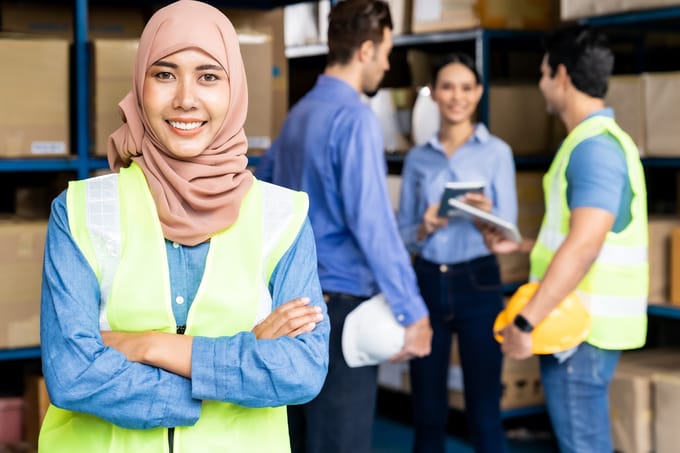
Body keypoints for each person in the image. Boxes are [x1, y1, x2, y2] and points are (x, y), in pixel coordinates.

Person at [38, 1, 329, 452]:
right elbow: (72, 375)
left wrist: (151, 346)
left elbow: (301, 370)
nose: (186, 98)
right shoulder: (80, 211)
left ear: (235, 88)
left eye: (209, 76)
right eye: (164, 74)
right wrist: (236, 364)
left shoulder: (282, 216)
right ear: (140, 85)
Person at [255, 0, 432, 451]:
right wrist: (413, 311)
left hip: (288, 307)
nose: (388, 64)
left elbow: (261, 201)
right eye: (388, 52)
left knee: (297, 438)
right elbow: (372, 225)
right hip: (339, 313)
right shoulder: (355, 118)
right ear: (367, 50)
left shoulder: (296, 118)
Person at [483, 25, 648, 453]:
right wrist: (521, 246)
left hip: (581, 332)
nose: (539, 84)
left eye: (541, 73)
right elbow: (585, 234)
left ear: (560, 75)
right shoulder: (597, 142)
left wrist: (525, 322)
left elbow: (586, 244)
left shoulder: (594, 148)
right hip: (581, 328)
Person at [397, 52, 516, 453]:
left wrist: (489, 218)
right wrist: (425, 226)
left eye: (466, 88)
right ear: (434, 94)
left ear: (479, 93)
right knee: (428, 413)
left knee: (484, 412)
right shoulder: (418, 158)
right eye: (447, 87)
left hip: (478, 279)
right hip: (427, 280)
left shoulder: (497, 152)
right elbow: (402, 235)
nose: (457, 97)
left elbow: (509, 230)